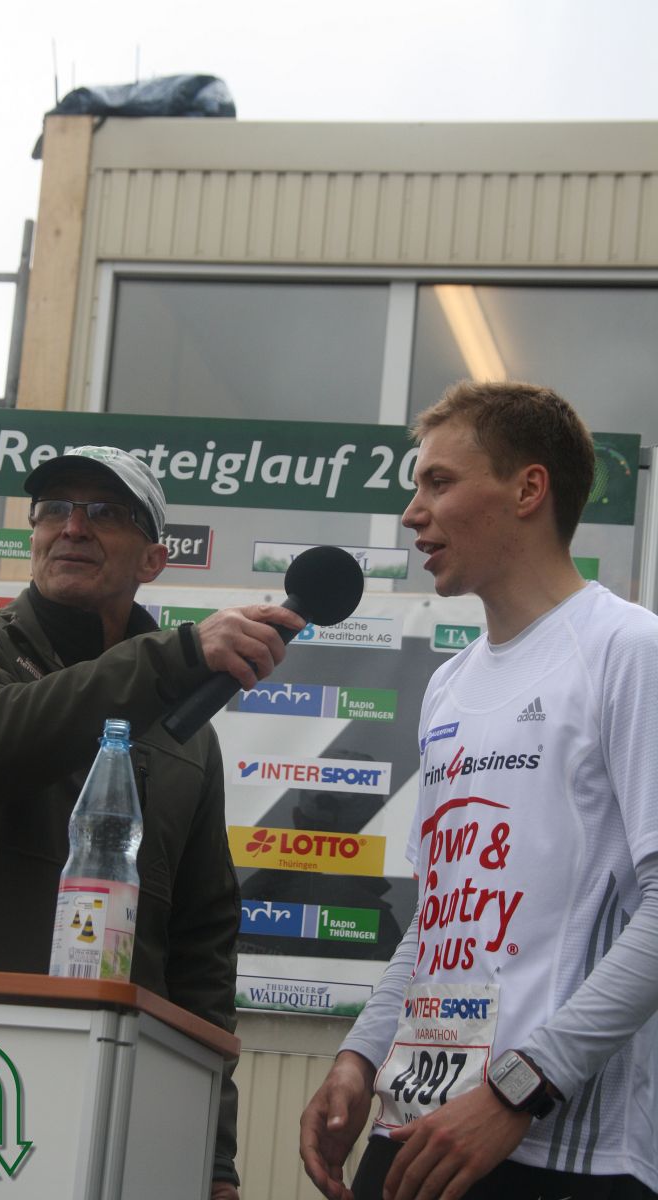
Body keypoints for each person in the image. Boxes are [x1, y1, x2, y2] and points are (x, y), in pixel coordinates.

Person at [0, 444, 305, 1199]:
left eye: (104, 512)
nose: (72, 527)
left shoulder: (188, 732)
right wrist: (174, 657)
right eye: (55, 509)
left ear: (154, 559)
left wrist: (212, 1153)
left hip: (114, 1084)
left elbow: (201, 947)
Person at [300, 381, 658, 1200]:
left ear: (529, 490)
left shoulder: (629, 649)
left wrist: (520, 1089)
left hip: (556, 1145)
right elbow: (439, 916)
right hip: (416, 1128)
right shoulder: (449, 685)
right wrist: (361, 1055)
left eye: (439, 482)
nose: (411, 514)